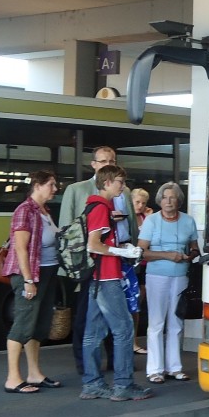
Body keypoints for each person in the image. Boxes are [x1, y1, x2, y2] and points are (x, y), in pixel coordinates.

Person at [60, 146, 138, 373]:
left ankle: (107, 368)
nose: (108, 165)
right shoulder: (79, 191)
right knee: (97, 320)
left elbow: (131, 224)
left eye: (112, 161)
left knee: (105, 320)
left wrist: (131, 252)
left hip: (120, 259)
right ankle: (91, 369)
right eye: (103, 161)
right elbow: (68, 231)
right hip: (94, 263)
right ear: (94, 164)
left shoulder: (124, 192)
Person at [78, 164, 151, 402]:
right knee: (124, 329)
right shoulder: (101, 207)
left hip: (96, 276)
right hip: (108, 276)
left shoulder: (94, 205)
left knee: (92, 332)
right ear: (107, 182)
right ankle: (123, 384)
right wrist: (123, 252)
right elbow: (94, 245)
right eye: (120, 181)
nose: (123, 186)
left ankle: (92, 384)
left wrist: (120, 248)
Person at [1, 170, 63, 394]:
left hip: (48, 272)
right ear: (37, 185)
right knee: (23, 324)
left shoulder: (44, 211)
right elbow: (20, 248)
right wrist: (28, 280)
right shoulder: (24, 210)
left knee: (39, 325)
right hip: (31, 275)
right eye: (51, 184)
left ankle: (34, 373)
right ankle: (12, 378)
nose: (55, 189)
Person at [138, 181, 199, 383]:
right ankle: (154, 369)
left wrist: (190, 256)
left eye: (172, 197)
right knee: (156, 322)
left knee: (176, 322)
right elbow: (141, 252)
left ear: (179, 200)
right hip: (156, 275)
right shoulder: (151, 221)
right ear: (159, 200)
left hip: (181, 275)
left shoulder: (188, 221)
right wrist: (167, 255)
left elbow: (195, 248)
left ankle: (174, 367)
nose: (168, 201)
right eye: (164, 197)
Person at [129, 186, 153, 354]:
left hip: (144, 264)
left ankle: (134, 340)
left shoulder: (147, 217)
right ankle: (129, 341)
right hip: (131, 264)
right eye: (137, 202)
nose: (140, 206)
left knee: (138, 304)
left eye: (143, 203)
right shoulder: (127, 217)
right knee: (131, 303)